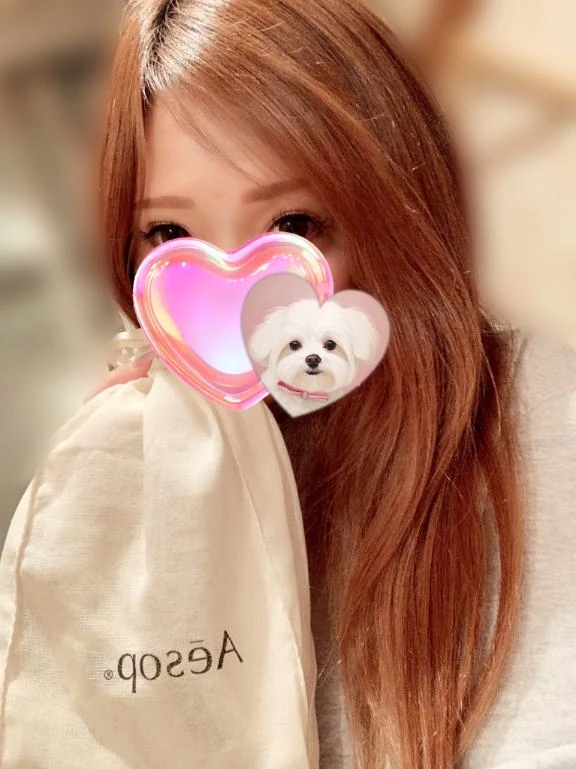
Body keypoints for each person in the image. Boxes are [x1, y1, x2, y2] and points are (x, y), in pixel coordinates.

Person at [4, 0, 576, 767]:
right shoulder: (139, 457)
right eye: (169, 234)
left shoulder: (547, 429)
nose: (238, 298)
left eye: (295, 224)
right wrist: (113, 527)